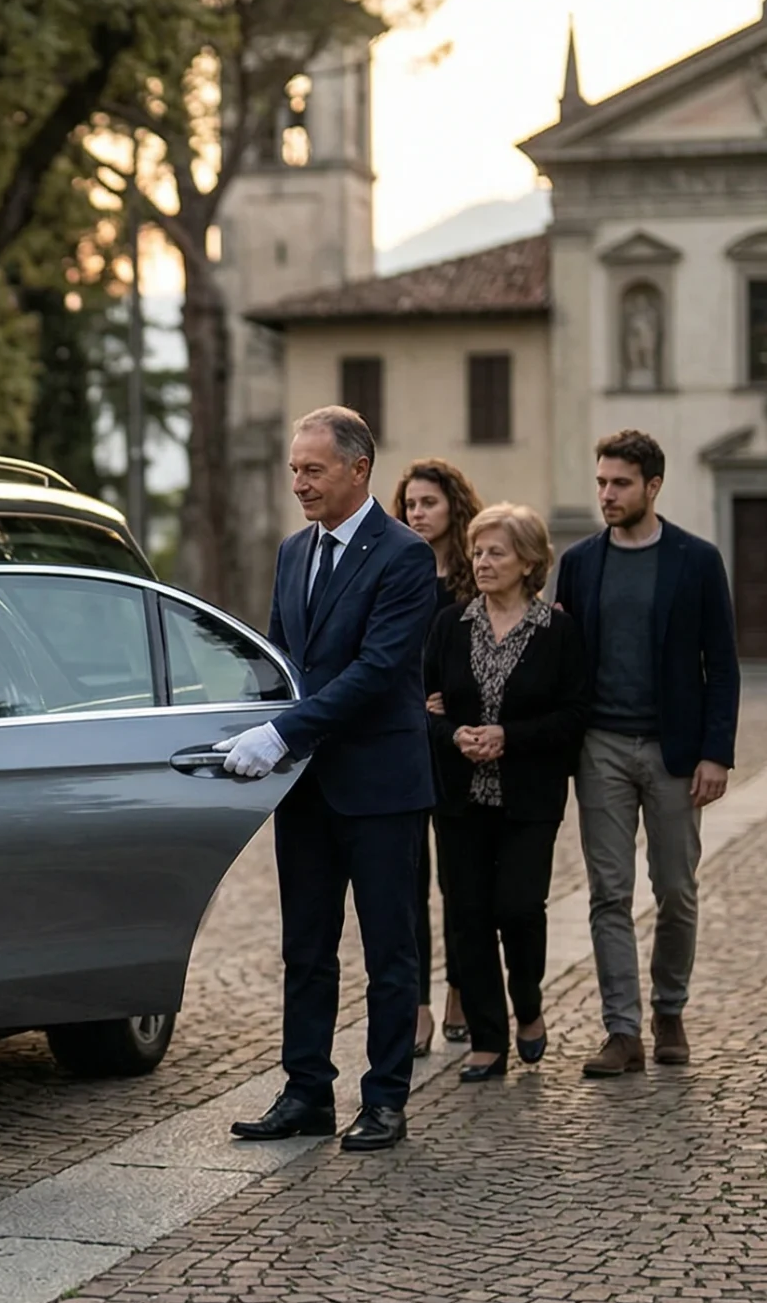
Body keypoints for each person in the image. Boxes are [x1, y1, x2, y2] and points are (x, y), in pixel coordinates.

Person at [226, 407, 437, 1152]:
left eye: (312, 470)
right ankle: (307, 1091)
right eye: (293, 468)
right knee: (306, 947)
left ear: (358, 469)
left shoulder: (407, 557)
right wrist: (248, 718)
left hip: (380, 785)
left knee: (389, 950)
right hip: (309, 786)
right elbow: (285, 663)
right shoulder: (291, 552)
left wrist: (284, 731)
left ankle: (384, 1100)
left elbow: (378, 672)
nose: (298, 483)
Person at [552, 430, 739, 1078]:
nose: (607, 493)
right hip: (600, 746)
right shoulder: (579, 562)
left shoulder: (696, 560)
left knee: (677, 890)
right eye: (602, 481)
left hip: (674, 752)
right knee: (609, 891)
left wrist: (716, 753)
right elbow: (562, 656)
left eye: (620, 483)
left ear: (653, 486)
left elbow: (723, 663)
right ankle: (622, 1029)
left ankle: (669, 1009)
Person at [423, 503, 588, 1082]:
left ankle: (530, 1006)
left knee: (518, 908)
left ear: (529, 561)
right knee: (467, 914)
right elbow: (423, 707)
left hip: (529, 797)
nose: (483, 562)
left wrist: (507, 736)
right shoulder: (450, 626)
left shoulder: (559, 633)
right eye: (478, 551)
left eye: (496, 552)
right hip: (459, 797)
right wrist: (453, 734)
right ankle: (488, 1039)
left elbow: (573, 716)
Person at [391, 458, 484, 1054]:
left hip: (458, 745)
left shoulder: (476, 576)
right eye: (410, 505)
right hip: (404, 740)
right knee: (408, 883)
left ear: (453, 507)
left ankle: (459, 989)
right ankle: (417, 1004)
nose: (417, 513)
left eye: (428, 503)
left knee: (460, 878)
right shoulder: (399, 572)